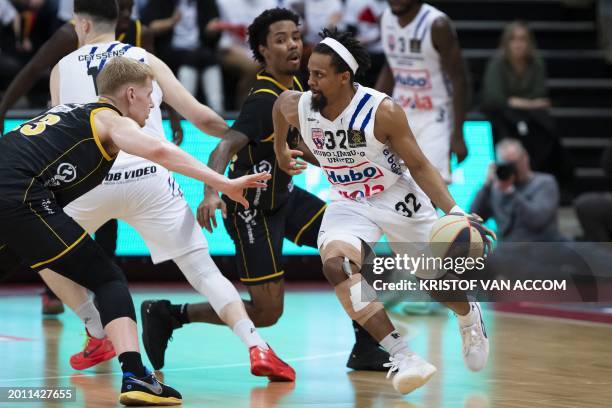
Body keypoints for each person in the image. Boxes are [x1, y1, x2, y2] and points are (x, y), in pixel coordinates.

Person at [42, 0, 295, 382]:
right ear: (119, 20)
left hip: (89, 179)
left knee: (42, 251)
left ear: (80, 24)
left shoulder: (62, 68)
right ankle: (257, 346)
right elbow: (201, 117)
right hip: (149, 176)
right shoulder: (143, 58)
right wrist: (239, 136)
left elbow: (63, 134)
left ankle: (96, 331)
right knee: (203, 272)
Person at [0, 56, 268, 406]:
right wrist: (223, 183)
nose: (153, 103)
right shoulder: (110, 119)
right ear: (129, 94)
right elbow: (159, 150)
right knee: (107, 278)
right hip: (19, 195)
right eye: (149, 95)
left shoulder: (74, 111)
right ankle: (136, 375)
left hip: (13, 189)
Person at [139, 7, 390, 373]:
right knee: (268, 312)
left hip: (285, 198)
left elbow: (304, 146)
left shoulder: (301, 86)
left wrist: (353, 167)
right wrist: (212, 193)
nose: (292, 44)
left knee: (352, 248)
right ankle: (169, 314)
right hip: (251, 209)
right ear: (262, 50)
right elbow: (223, 146)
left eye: (295, 36)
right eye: (280, 39)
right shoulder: (263, 99)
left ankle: (367, 346)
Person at [272, 28, 494, 394]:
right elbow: (279, 106)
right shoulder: (298, 104)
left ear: (345, 77)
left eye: (319, 75)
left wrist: (455, 211)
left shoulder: (382, 111)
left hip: (396, 196)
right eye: (309, 72)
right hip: (349, 202)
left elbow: (420, 165)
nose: (309, 81)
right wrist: (282, 149)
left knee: (437, 285)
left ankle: (469, 315)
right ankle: (402, 354)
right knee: (336, 266)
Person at [0, 0, 178, 316]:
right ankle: (60, 292)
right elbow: (33, 69)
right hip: (75, 134)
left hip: (115, 131)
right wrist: (4, 107)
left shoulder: (141, 34)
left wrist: (172, 113)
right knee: (53, 225)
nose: (124, 13)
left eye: (128, 7)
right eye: (119, 8)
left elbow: (158, 83)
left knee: (105, 229)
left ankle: (105, 299)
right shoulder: (71, 35)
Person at [377, 0, 469, 183]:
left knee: (432, 186)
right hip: (399, 111)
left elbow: (459, 79)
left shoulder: (437, 24)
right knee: (393, 183)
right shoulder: (386, 18)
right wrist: (370, 111)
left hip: (435, 115)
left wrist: (458, 134)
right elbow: (390, 66)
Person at [470, 138, 562, 242]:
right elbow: (473, 220)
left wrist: (511, 193)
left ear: (525, 157)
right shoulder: (496, 189)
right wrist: (486, 186)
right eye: (506, 165)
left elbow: (537, 220)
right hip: (507, 251)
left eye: (514, 164)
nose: (512, 170)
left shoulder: (544, 183)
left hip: (539, 248)